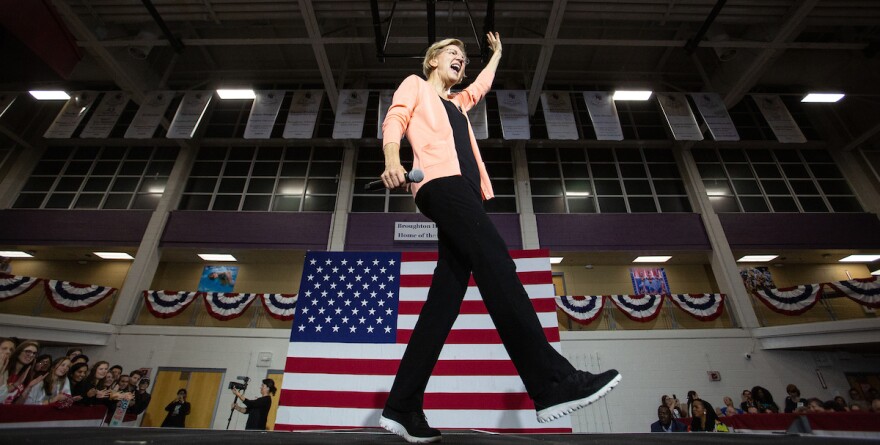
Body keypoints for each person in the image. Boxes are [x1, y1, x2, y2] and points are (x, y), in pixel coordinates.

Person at [377, 32, 620, 443]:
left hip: (467, 193)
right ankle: (551, 382)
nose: (461, 60)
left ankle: (402, 406)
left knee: (443, 303)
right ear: (433, 60)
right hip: (442, 186)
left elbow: (480, 87)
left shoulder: (456, 104)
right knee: (497, 266)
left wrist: (498, 55)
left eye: (464, 58)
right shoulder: (414, 85)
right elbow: (394, 118)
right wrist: (392, 159)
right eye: (453, 54)